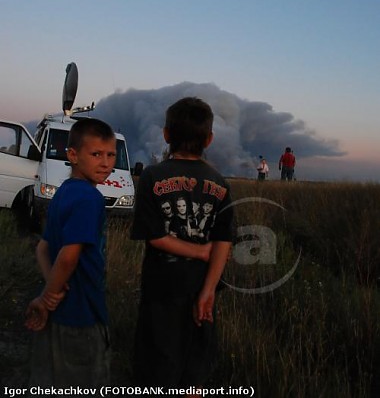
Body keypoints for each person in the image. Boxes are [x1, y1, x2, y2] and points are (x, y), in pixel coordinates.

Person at [131, 97, 233, 393]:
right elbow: (223, 244)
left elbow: (156, 237)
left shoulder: (152, 176)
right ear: (210, 139)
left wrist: (199, 251)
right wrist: (209, 290)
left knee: (157, 370)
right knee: (194, 373)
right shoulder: (220, 183)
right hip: (200, 291)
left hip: (160, 293)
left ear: (165, 134)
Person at [25, 118, 116, 391]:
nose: (106, 163)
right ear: (73, 155)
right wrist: (45, 298)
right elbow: (68, 256)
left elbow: (43, 248)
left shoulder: (63, 192)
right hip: (83, 316)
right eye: (96, 154)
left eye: (111, 155)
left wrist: (52, 289)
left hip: (58, 314)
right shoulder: (90, 199)